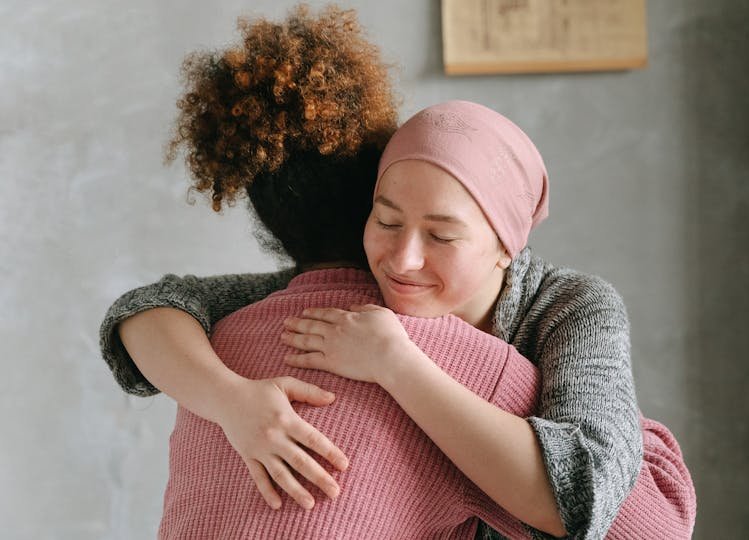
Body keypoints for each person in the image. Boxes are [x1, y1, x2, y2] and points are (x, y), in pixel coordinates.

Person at [100, 6, 695, 539]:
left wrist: (398, 364)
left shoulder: (571, 307)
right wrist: (233, 401)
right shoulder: (358, 289)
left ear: (505, 247)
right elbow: (150, 309)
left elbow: (599, 499)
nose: (404, 259)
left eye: (441, 235)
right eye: (386, 221)